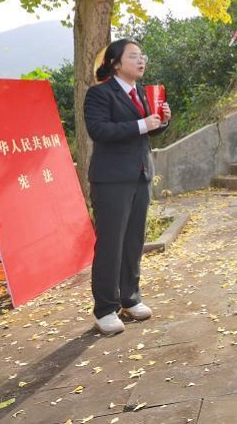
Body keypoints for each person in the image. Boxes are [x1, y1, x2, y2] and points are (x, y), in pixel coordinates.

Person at [85, 39, 170, 336]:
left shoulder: (141, 94)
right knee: (110, 243)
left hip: (140, 175)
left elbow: (145, 132)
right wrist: (142, 125)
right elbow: (99, 130)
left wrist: (160, 123)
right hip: (111, 179)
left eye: (142, 56)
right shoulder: (99, 94)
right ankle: (105, 308)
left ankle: (129, 298)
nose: (140, 60)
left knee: (134, 240)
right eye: (133, 56)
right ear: (116, 63)